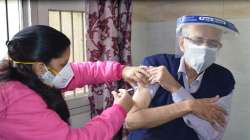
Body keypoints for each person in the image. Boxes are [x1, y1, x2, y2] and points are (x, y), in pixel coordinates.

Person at [0, 25, 151, 140]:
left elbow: (84, 71)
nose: (68, 69)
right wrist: (118, 110)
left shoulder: (28, 75)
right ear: (41, 67)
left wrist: (122, 71)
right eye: (63, 64)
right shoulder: (20, 101)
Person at [126, 15, 239, 140]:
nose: (205, 48)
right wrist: (189, 106)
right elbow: (132, 121)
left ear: (218, 48)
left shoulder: (223, 79)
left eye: (212, 43)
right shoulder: (157, 64)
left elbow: (212, 134)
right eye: (197, 40)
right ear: (182, 43)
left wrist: (175, 88)